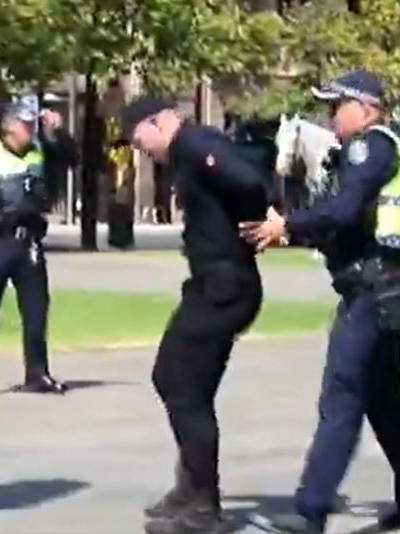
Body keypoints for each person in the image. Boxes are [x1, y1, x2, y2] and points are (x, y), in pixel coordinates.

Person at [240, 69, 400, 534]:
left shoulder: (369, 146)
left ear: (366, 109)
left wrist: (287, 227)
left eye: (338, 106)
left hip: (376, 289)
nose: (330, 115)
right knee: (381, 398)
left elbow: (345, 210)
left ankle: (308, 510)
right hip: (383, 287)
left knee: (343, 394)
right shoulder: (373, 149)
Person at [121, 96, 267, 534]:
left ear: (158, 122)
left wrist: (257, 222)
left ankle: (203, 505)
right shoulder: (187, 149)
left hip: (225, 287)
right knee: (179, 382)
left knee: (181, 385)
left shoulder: (194, 143)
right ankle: (191, 488)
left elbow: (248, 182)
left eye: (138, 138)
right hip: (211, 284)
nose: (138, 148)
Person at [0, 103, 78, 394]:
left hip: (28, 240)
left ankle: (37, 373)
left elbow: (72, 158)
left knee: (36, 311)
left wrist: (56, 132)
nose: (30, 129)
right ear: (8, 126)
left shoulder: (39, 149)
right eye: (24, 124)